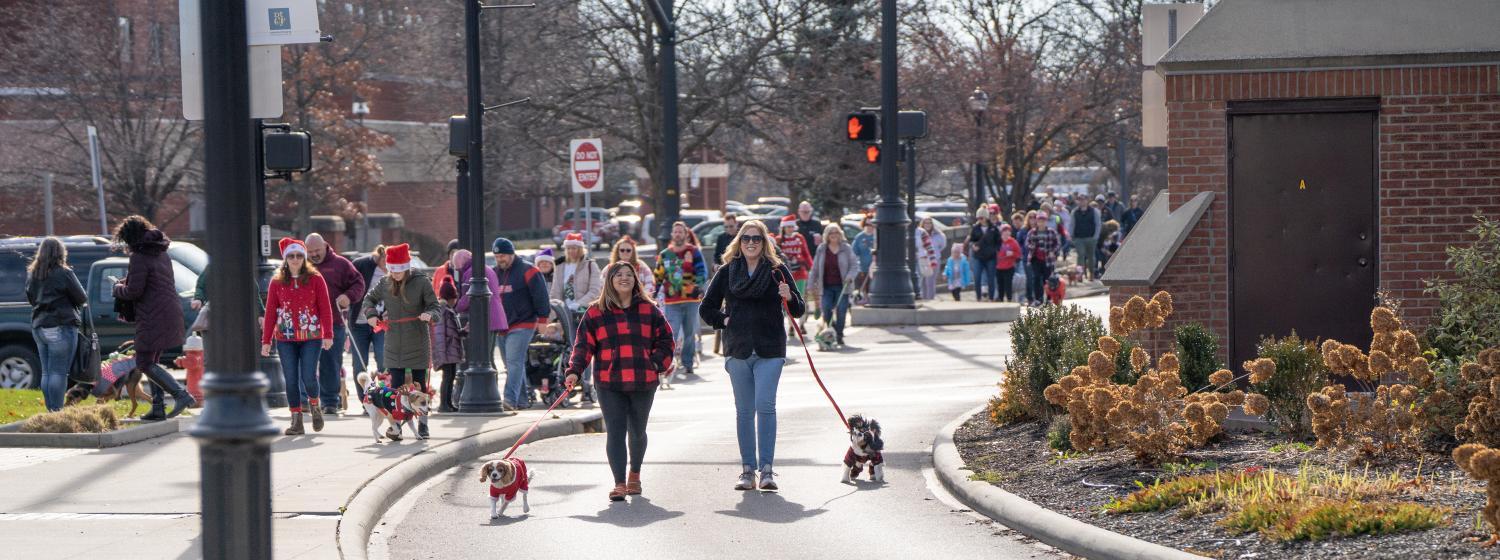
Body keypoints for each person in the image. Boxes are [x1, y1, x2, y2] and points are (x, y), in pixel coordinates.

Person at [699, 219, 805, 491]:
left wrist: (789, 297)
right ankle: (748, 470)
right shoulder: (727, 272)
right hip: (738, 349)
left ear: (765, 243)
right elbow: (707, 308)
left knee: (765, 406)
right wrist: (722, 321)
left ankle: (767, 470)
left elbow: (799, 310)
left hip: (770, 348)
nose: (751, 243)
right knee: (744, 411)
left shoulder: (777, 271)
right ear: (739, 242)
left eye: (756, 239)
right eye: (746, 238)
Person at [564, 261, 674, 501]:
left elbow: (666, 340)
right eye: (618, 275)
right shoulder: (595, 312)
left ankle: (635, 474)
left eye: (629, 275)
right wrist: (574, 371)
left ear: (635, 280)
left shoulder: (649, 309)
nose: (624, 278)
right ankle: (619, 483)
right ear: (609, 281)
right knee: (615, 431)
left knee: (637, 431)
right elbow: (583, 345)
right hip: (608, 381)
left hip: (643, 380)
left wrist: (655, 363)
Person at [110, 215, 195, 420]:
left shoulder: (139, 256)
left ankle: (181, 395)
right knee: (152, 360)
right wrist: (128, 282)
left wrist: (117, 288)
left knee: (143, 362)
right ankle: (158, 408)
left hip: (152, 316)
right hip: (169, 311)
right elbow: (154, 282)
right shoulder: (161, 252)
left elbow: (133, 292)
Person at [361, 243, 440, 437]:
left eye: (399, 271)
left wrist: (430, 314)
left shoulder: (421, 282)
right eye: (392, 271)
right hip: (394, 342)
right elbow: (368, 299)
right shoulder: (385, 283)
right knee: (396, 388)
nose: (395, 275)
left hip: (417, 341)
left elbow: (435, 307)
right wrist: (371, 314)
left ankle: (423, 424)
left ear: (406, 267)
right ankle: (396, 426)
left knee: (420, 385)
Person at [260, 238, 335, 435]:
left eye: (299, 255)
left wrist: (328, 334)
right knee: (291, 380)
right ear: (285, 259)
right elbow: (270, 312)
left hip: (311, 336)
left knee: (308, 377)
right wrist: (266, 340)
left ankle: (314, 405)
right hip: (285, 337)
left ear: (304, 258)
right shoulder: (276, 282)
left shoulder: (316, 279)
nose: (295, 259)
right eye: (291, 256)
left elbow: (325, 308)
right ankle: (296, 421)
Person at [305, 233, 365, 415]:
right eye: (310, 252)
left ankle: (330, 401)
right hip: (307, 323)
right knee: (307, 363)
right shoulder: (303, 265)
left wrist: (348, 297)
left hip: (334, 322)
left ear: (325, 246)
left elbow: (359, 283)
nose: (314, 254)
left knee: (330, 362)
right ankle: (307, 398)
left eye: (317, 250)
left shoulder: (341, 264)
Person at [25, 237, 85, 411]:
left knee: (47, 372)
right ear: (61, 252)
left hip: (38, 325)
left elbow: (31, 298)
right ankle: (57, 412)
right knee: (59, 372)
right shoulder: (64, 272)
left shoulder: (33, 273)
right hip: (60, 325)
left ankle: (50, 411)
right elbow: (82, 298)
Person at [492, 237, 551, 409]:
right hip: (502, 326)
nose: (500, 259)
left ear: (511, 254)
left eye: (503, 255)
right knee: (511, 364)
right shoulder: (495, 273)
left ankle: (509, 399)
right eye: (497, 257)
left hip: (523, 323)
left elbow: (541, 296)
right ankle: (522, 401)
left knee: (514, 362)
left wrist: (543, 320)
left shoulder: (529, 270)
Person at [451, 248, 509, 405]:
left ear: (461, 262)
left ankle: (489, 393)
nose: (457, 270)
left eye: (457, 267)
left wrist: (453, 308)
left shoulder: (470, 273)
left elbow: (466, 298)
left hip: (485, 319)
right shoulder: (486, 268)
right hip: (494, 317)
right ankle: (492, 391)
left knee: (485, 359)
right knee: (488, 358)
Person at [653, 222, 707, 378]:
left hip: (690, 300)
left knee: (690, 333)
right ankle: (668, 364)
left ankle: (688, 363)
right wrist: (653, 295)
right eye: (675, 232)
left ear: (685, 234)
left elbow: (702, 273)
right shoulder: (665, 254)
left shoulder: (693, 252)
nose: (677, 234)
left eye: (680, 232)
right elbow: (658, 277)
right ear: (672, 234)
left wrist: (696, 284)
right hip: (672, 302)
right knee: (672, 333)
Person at [349, 245, 387, 406]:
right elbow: (349, 284)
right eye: (387, 261)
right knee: (359, 363)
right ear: (380, 257)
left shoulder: (395, 272)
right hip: (359, 322)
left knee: (384, 359)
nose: (389, 265)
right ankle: (365, 400)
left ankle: (384, 397)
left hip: (381, 323)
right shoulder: (362, 264)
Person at [808, 223, 857, 346]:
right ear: (827, 235)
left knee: (841, 311)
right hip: (826, 286)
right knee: (826, 308)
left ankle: (839, 334)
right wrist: (810, 284)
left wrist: (850, 276)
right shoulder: (822, 249)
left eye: (836, 233)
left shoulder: (846, 248)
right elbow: (815, 268)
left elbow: (854, 265)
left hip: (842, 286)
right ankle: (832, 329)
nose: (834, 235)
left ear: (840, 234)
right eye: (831, 233)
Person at [432, 277, 465, 413]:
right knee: (447, 377)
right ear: (451, 298)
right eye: (455, 298)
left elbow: (452, 331)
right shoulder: (443, 310)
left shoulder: (446, 310)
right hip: (446, 351)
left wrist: (463, 331)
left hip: (449, 350)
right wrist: (442, 353)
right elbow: (439, 334)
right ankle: (444, 405)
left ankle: (448, 403)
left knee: (451, 376)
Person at [775, 217, 812, 329]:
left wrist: (811, 267)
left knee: (800, 297)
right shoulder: (779, 240)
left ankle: (801, 324)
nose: (790, 229)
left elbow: (806, 253)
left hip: (800, 273)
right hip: (785, 275)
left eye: (791, 226)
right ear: (783, 228)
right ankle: (791, 325)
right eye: (788, 227)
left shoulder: (799, 238)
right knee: (787, 298)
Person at [1025, 212, 1061, 306]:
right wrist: (1032, 247)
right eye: (1039, 221)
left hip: (1048, 259)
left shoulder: (1051, 232)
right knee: (1036, 278)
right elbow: (1027, 244)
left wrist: (1054, 251)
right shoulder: (1032, 232)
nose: (1041, 223)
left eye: (1043, 220)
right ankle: (1038, 299)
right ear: (1037, 221)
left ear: (1046, 221)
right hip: (1035, 258)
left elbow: (1057, 244)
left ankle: (1048, 299)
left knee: (1048, 279)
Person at [967, 212, 1000, 301]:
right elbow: (971, 240)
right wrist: (973, 246)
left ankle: (991, 297)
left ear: (986, 218)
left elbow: (998, 242)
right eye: (978, 218)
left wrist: (994, 250)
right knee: (977, 278)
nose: (980, 220)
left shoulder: (993, 228)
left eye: (982, 218)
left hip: (991, 257)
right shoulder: (975, 228)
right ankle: (978, 297)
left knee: (991, 278)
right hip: (978, 256)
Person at [914, 216, 945, 300]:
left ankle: (930, 299)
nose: (928, 225)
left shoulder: (938, 235)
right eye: (926, 223)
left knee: (930, 281)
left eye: (929, 223)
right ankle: (923, 298)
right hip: (919, 259)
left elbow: (941, 246)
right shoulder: (917, 232)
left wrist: (933, 258)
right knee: (922, 282)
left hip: (931, 259)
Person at [1071, 199, 1101, 281]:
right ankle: (1080, 274)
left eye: (1083, 199)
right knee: (1080, 255)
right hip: (1079, 238)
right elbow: (1072, 224)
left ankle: (1091, 273)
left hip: (1091, 238)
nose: (1082, 201)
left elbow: (1098, 224)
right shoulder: (1075, 212)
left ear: (1087, 201)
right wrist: (1072, 236)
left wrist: (1096, 237)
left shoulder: (1094, 211)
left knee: (1091, 257)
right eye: (1080, 199)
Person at [995, 225, 1022, 303]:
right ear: (1001, 232)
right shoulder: (998, 241)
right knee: (1000, 285)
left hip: (1009, 267)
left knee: (1008, 284)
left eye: (1008, 231)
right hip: (999, 267)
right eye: (1004, 231)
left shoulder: (1013, 242)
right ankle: (1000, 299)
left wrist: (1012, 253)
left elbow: (1019, 254)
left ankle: (1009, 300)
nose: (1006, 233)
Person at [851, 218, 875, 302]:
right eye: (867, 224)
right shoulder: (859, 237)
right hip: (863, 267)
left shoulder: (878, 236)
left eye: (871, 224)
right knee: (863, 285)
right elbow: (854, 252)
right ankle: (864, 298)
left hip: (875, 267)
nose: (869, 227)